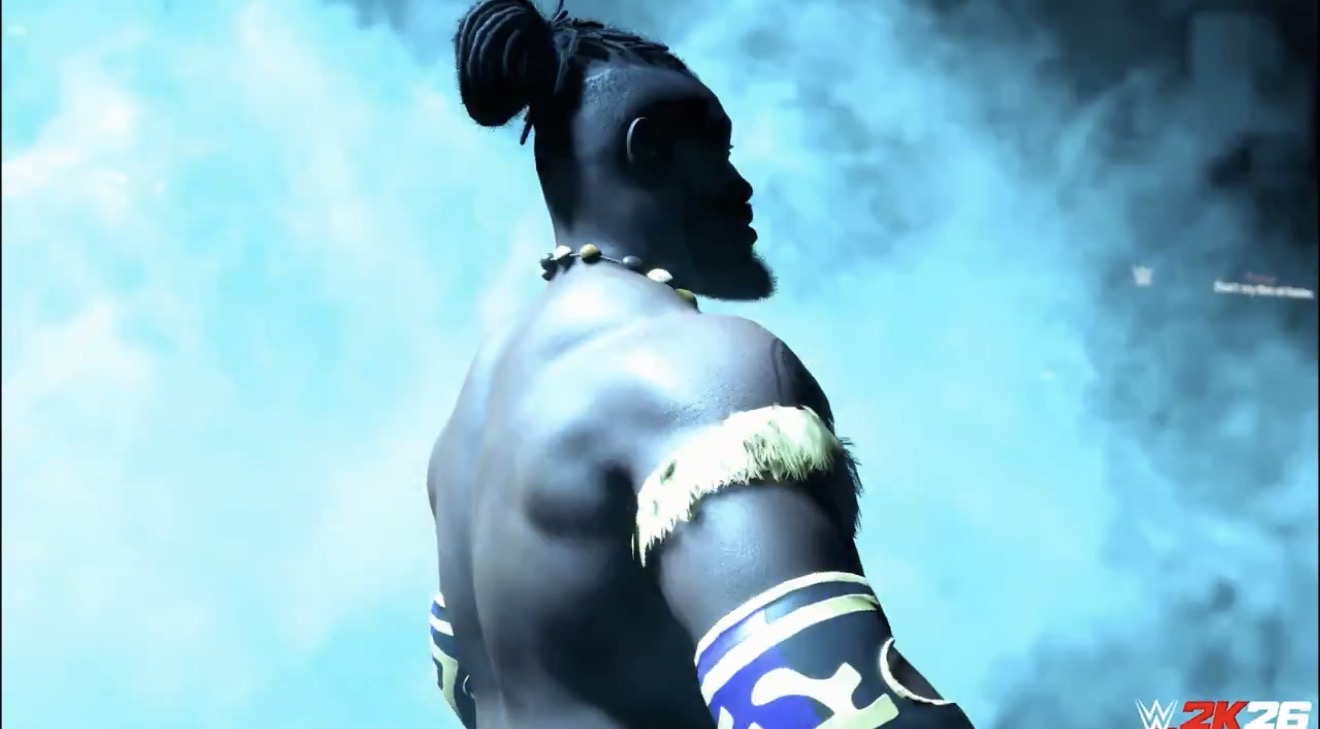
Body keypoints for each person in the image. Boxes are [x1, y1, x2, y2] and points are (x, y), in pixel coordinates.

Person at [427, 1, 978, 727]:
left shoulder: (477, 412)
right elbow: (826, 712)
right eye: (716, 149)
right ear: (646, 149)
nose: (742, 187)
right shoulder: (699, 373)